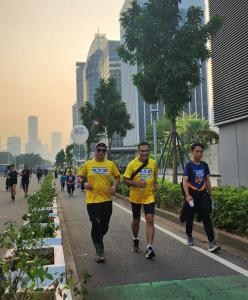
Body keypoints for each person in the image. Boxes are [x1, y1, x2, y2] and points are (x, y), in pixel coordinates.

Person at [80, 143, 120, 263]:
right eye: (99, 150)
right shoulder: (88, 164)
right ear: (95, 151)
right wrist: (84, 184)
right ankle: (99, 249)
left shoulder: (110, 164)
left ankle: (98, 238)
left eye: (103, 150)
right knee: (96, 224)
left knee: (105, 225)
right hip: (92, 201)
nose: (101, 152)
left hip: (106, 200)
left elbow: (117, 177)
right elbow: (80, 176)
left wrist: (114, 186)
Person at [182, 142, 221, 253]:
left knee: (206, 217)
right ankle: (189, 235)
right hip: (192, 194)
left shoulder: (204, 165)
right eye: (197, 151)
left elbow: (207, 180)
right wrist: (187, 195)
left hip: (203, 194)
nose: (199, 153)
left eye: (201, 151)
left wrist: (211, 194)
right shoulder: (189, 165)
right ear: (192, 152)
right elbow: (185, 181)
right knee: (190, 217)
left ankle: (211, 242)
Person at [124, 141, 158, 259]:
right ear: (138, 151)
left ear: (149, 151)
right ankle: (135, 238)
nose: (144, 153)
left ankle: (149, 247)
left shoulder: (153, 163)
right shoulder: (132, 164)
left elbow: (155, 177)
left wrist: (156, 183)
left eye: (146, 151)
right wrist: (137, 184)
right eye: (142, 151)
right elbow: (126, 180)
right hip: (136, 196)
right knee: (136, 221)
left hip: (149, 196)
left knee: (150, 219)